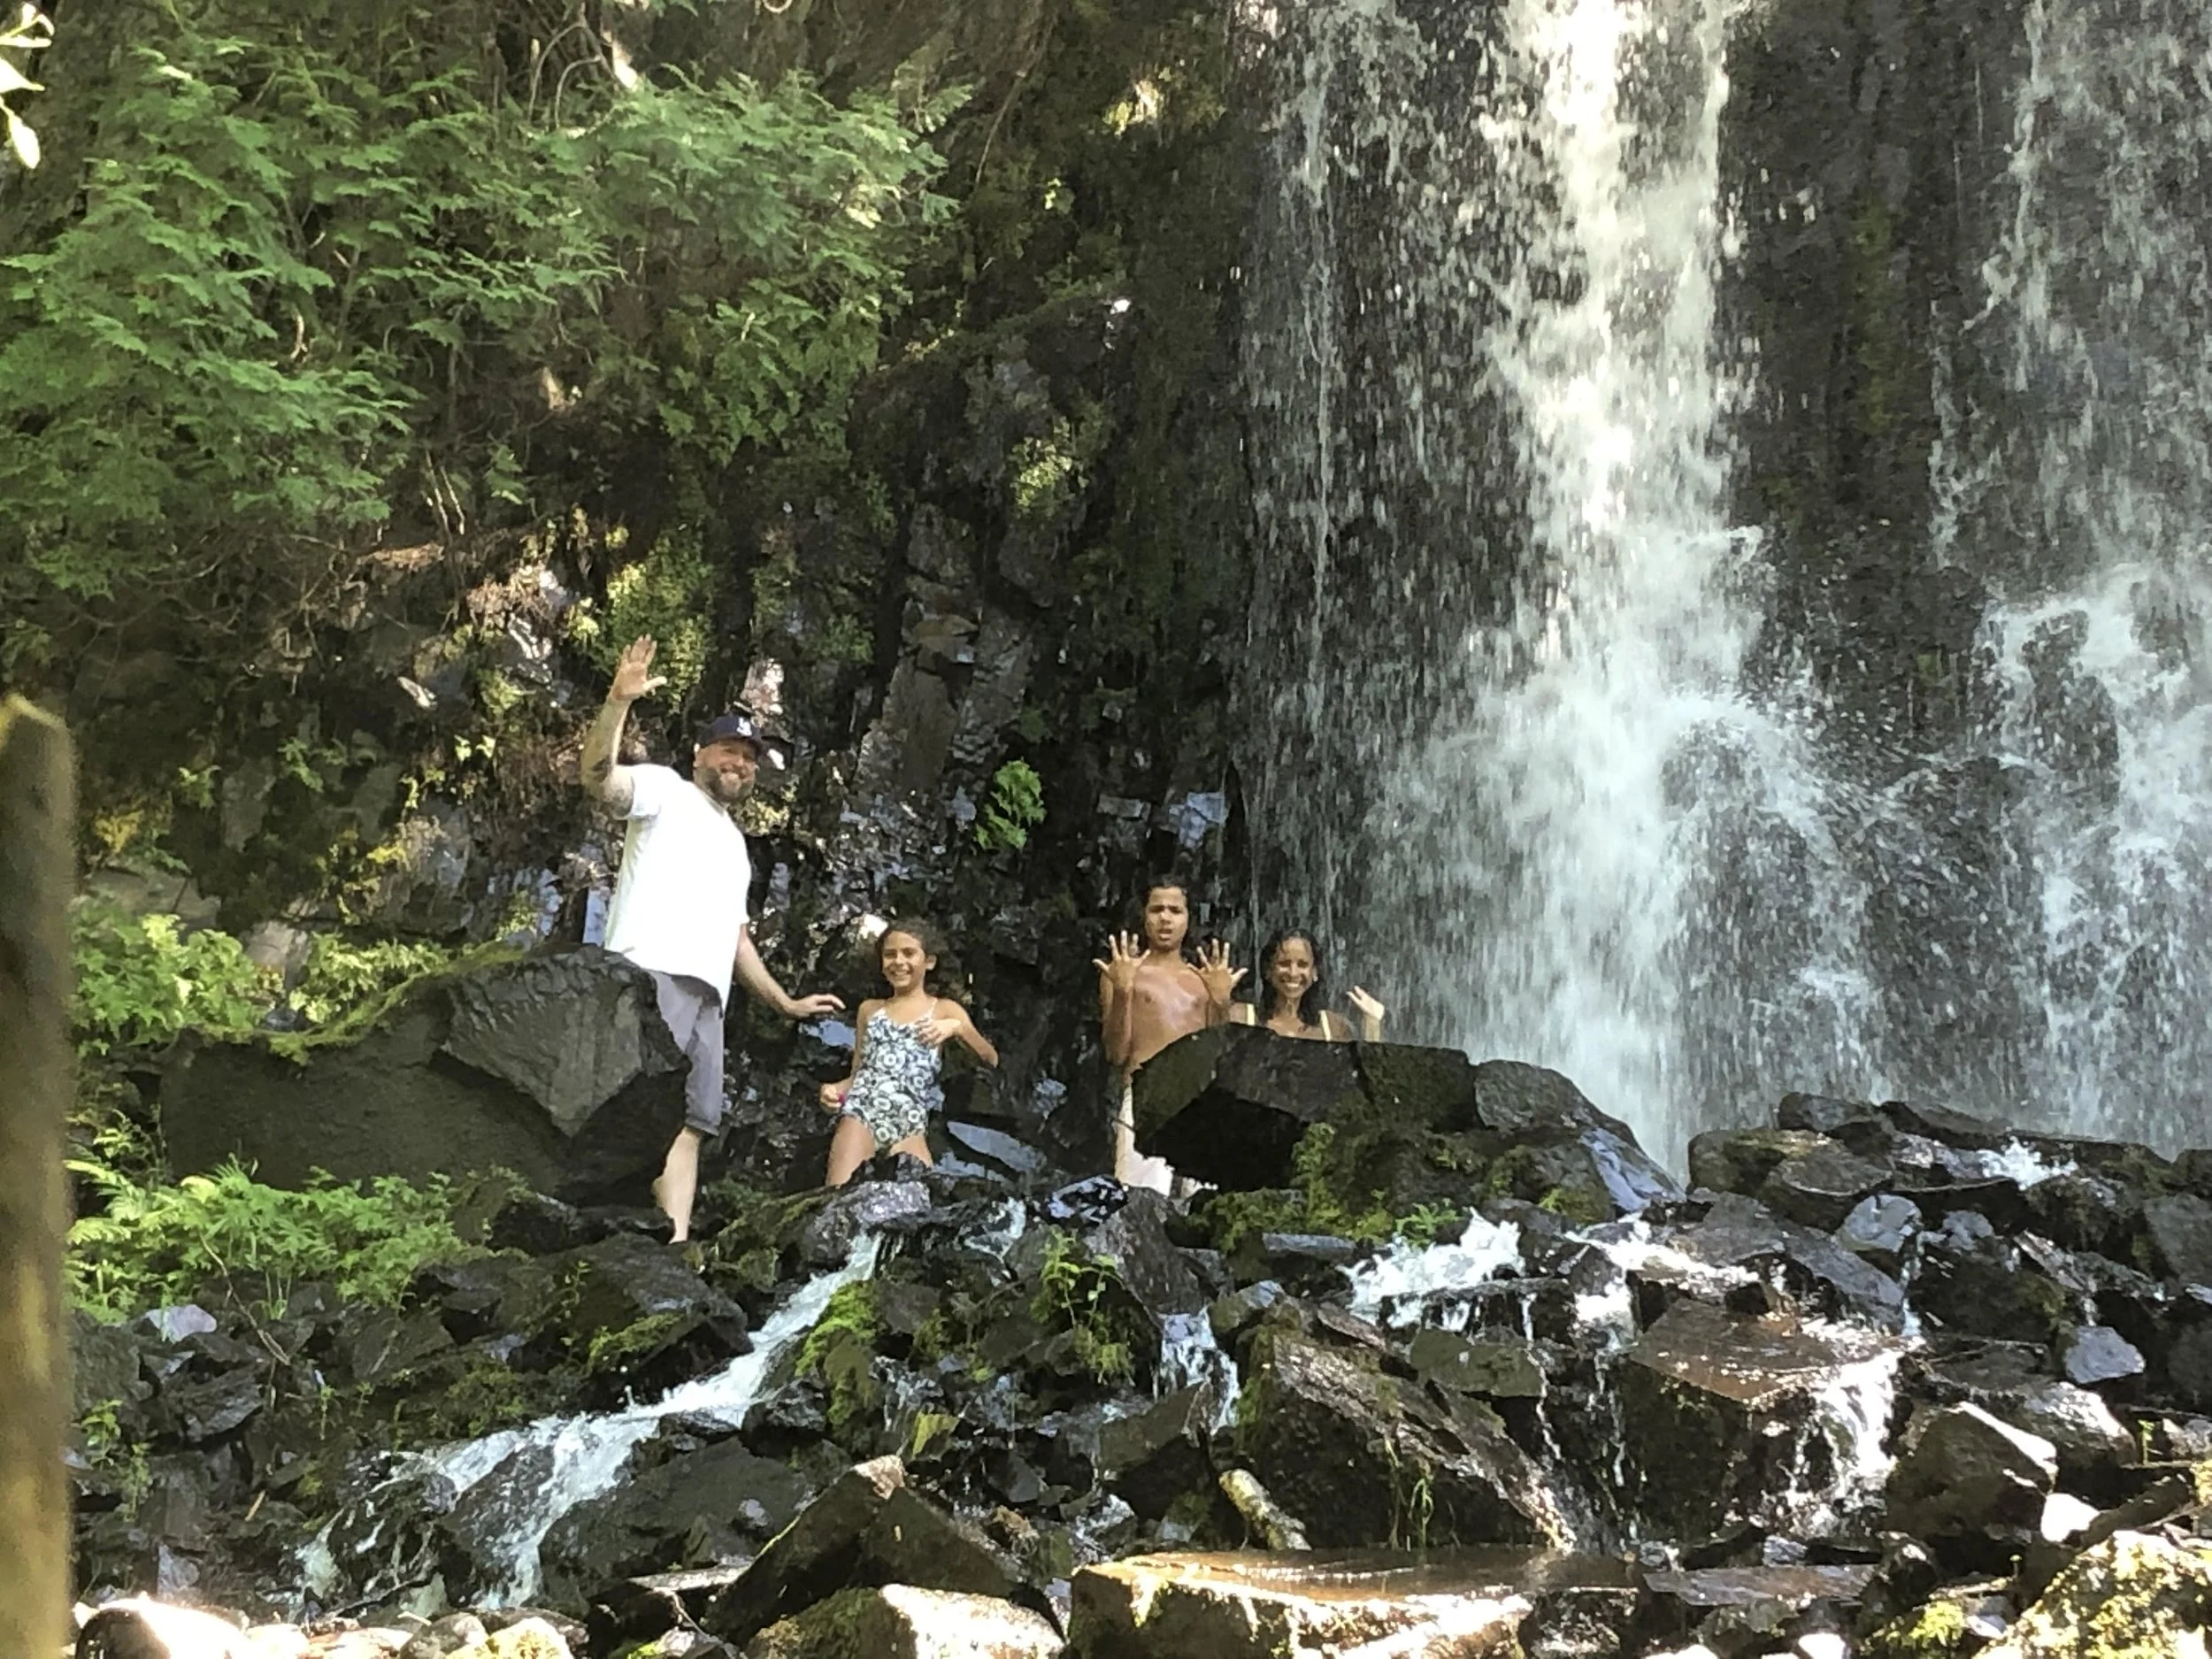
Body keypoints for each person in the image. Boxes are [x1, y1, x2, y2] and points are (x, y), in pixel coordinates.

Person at [580, 634, 843, 1243]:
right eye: (730, 750)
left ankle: (672, 1244)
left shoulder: (735, 846)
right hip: (651, 972)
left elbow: (736, 937)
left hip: (709, 996)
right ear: (701, 753)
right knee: (633, 1103)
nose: (740, 763)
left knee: (694, 1121)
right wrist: (618, 703)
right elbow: (598, 779)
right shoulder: (665, 792)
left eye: (749, 757)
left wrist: (785, 1002)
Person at [817, 921, 998, 1187]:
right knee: (837, 1199)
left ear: (930, 962)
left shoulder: (945, 1010)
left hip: (910, 1123)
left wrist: (956, 1028)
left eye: (909, 953)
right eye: (890, 955)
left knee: (917, 1210)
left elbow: (990, 1058)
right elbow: (858, 1073)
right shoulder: (869, 1010)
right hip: (861, 1114)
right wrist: (832, 1091)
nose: (898, 961)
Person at [1095, 879, 1241, 1192]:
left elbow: (1222, 1054)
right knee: (1140, 1199)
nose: (1165, 918)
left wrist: (1220, 1000)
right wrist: (1122, 991)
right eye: (1157, 909)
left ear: (1188, 919)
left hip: (1200, 1101)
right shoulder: (1123, 972)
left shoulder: (1204, 979)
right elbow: (1116, 1054)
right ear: (1144, 916)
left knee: (1203, 1204)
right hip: (1147, 1095)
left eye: (1175, 910)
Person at [1228, 928, 1386, 1041]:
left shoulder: (1333, 1028)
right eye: (1284, 963)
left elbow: (1364, 1079)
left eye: (1302, 965)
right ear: (1268, 971)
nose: (1293, 973)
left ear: (1315, 973)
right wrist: (1217, 998)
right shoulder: (1241, 1017)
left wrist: (1372, 1025)